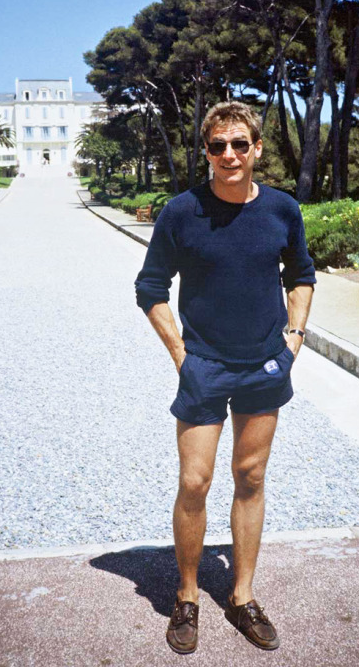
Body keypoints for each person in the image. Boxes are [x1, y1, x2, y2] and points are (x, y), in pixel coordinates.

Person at [135, 101, 316, 654]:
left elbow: (302, 274)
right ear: (207, 151)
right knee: (195, 481)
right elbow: (150, 288)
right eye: (218, 146)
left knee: (251, 476)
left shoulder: (283, 209)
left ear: (258, 148)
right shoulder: (181, 212)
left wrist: (294, 338)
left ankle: (242, 595)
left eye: (240, 144)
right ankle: (187, 595)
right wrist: (181, 355)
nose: (229, 155)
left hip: (264, 362)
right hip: (204, 366)